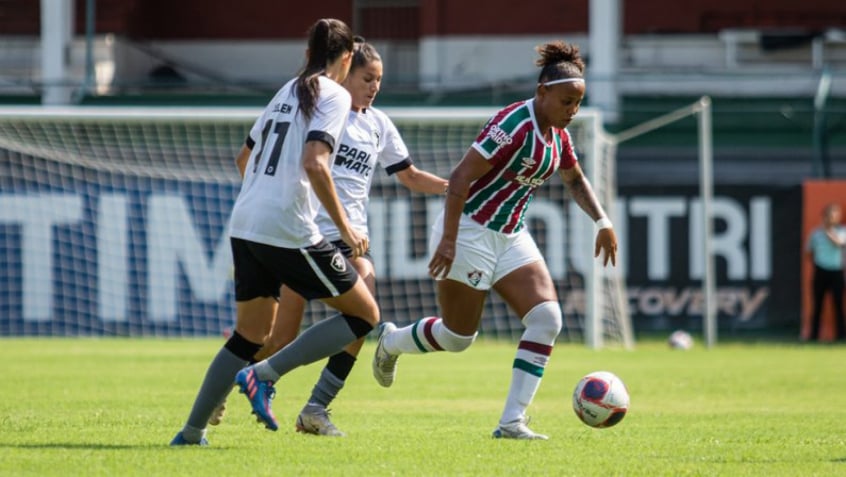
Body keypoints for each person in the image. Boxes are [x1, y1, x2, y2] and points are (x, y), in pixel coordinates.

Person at [371, 40, 619, 440]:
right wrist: (449, 240)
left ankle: (511, 423)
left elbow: (573, 179)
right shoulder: (513, 125)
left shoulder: (557, 135)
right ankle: (393, 341)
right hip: (469, 230)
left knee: (546, 318)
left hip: (511, 234)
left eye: (577, 103)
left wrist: (602, 220)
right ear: (542, 92)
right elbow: (460, 177)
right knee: (457, 338)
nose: (572, 111)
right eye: (566, 101)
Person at [209, 37, 449, 436]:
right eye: (368, 77)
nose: (375, 86)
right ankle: (232, 383)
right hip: (302, 234)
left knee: (364, 313)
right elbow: (248, 158)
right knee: (278, 338)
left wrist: (452, 186)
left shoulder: (378, 123)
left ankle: (316, 408)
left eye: (380, 80)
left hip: (350, 239)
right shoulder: (322, 109)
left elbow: (408, 175)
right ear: (347, 71)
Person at [170, 18, 380, 446]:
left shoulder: (285, 91)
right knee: (364, 315)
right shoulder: (335, 94)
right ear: (345, 59)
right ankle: (262, 376)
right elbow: (315, 163)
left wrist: (266, 196)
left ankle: (191, 433)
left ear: (307, 54)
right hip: (287, 227)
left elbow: (242, 159)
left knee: (250, 335)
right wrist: (345, 228)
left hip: (246, 222)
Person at [805, 203, 846, 342]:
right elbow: (808, 251)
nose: (832, 218)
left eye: (834, 215)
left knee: (838, 304)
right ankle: (814, 336)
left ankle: (841, 336)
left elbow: (840, 244)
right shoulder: (816, 233)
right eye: (829, 215)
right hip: (821, 271)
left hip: (836, 271)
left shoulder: (842, 231)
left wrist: (828, 232)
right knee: (817, 305)